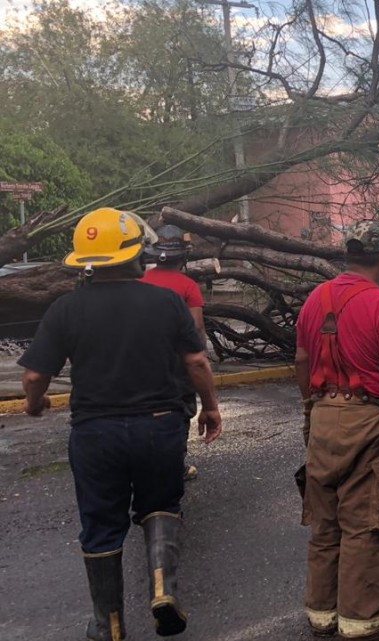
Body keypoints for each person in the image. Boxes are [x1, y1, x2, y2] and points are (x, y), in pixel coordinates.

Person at [18, 207, 223, 641]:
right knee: (161, 504)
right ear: (134, 256)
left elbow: (35, 376)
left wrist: (34, 405)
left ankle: (108, 622)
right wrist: (210, 406)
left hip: (96, 433)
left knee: (101, 523)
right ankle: (164, 587)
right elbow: (197, 361)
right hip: (160, 425)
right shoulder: (167, 301)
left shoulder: (65, 309)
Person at [295, 221, 379, 641]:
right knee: (368, 520)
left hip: (322, 417)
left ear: (348, 256)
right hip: (370, 421)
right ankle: (367, 621)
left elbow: (301, 359)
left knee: (326, 520)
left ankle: (322, 613)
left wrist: (308, 411)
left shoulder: (316, 298)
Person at [141, 224, 207, 481]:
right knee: (179, 413)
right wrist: (200, 358)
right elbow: (197, 327)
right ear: (184, 256)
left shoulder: (141, 282)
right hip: (178, 364)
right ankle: (174, 466)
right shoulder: (188, 286)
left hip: (143, 361)